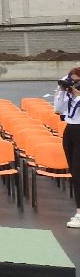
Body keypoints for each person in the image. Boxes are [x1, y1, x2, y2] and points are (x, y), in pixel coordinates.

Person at [52, 67, 80, 228]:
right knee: (74, 173)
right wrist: (62, 90)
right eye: (72, 80)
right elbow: (58, 109)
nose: (74, 84)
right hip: (70, 131)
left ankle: (79, 213)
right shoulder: (69, 95)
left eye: (77, 81)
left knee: (78, 173)